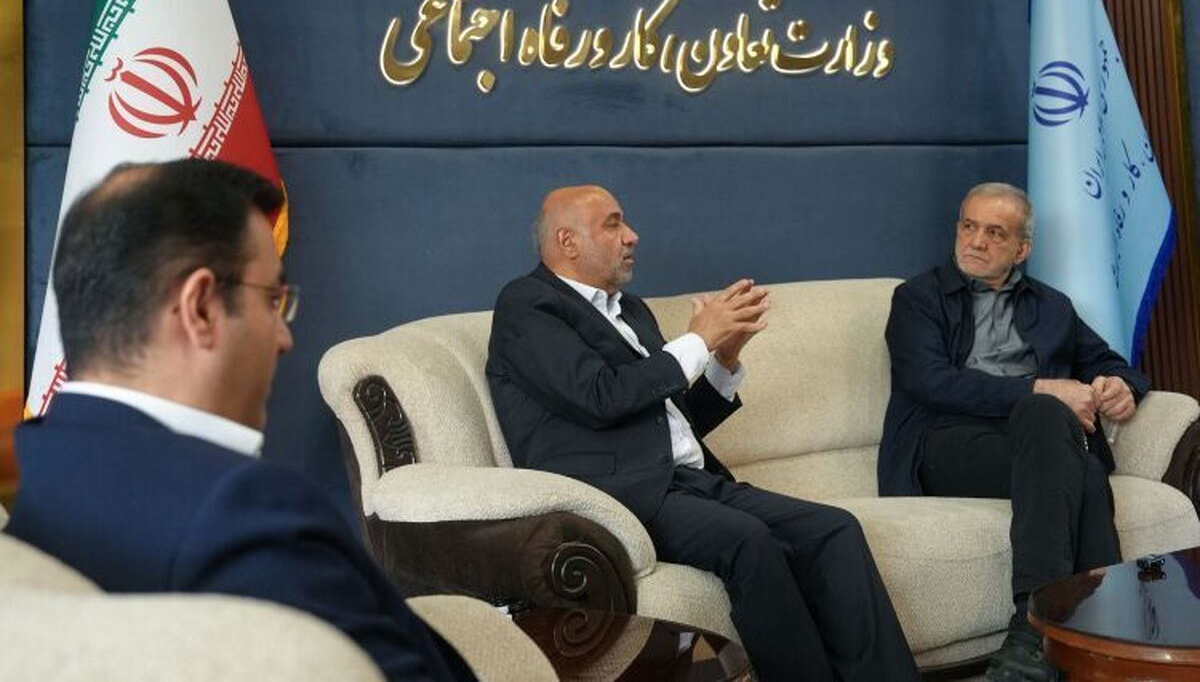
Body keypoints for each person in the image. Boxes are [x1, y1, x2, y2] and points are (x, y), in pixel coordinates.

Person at [4, 160, 474, 682]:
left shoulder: (34, 468)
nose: (284, 337)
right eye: (273, 300)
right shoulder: (242, 513)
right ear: (201, 308)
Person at [486, 185, 917, 682]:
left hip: (687, 481)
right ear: (568, 241)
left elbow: (670, 420)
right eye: (613, 224)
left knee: (835, 529)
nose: (632, 236)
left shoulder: (631, 310)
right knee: (748, 541)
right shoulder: (528, 304)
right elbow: (600, 398)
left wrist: (723, 357)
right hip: (617, 495)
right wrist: (697, 339)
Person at [878, 182, 1149, 682]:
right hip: (944, 443)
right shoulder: (918, 298)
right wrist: (1039, 389)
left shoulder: (1052, 305)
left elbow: (1108, 361)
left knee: (1080, 466)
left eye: (995, 233)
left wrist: (1122, 386)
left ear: (1021, 250)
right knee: (1064, 442)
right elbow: (929, 381)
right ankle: (1059, 631)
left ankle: (1070, 649)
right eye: (969, 226)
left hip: (1037, 443)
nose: (976, 241)